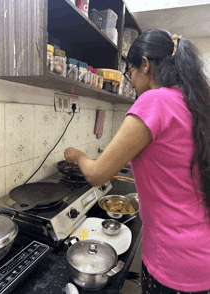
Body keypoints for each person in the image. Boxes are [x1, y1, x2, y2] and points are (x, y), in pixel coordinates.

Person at [64, 29, 210, 293]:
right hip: (202, 253)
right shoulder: (193, 103)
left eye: (129, 71)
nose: (130, 80)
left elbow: (97, 174)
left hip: (176, 261)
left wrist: (78, 155)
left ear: (145, 64)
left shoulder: (154, 101)